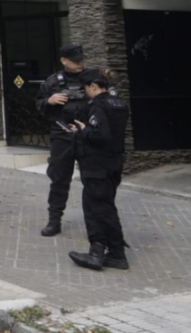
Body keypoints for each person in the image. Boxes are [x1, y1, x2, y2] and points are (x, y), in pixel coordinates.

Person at [66, 70, 130, 271]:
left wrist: (82, 131)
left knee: (96, 209)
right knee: (106, 206)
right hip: (114, 163)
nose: (85, 93)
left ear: (93, 86)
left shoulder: (98, 105)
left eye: (86, 88)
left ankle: (101, 254)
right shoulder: (119, 103)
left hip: (97, 166)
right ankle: (110, 252)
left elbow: (101, 135)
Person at [35, 43, 100, 237]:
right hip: (62, 135)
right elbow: (39, 104)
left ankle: (96, 222)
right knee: (59, 179)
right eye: (74, 60)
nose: (79, 63)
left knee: (94, 180)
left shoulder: (93, 78)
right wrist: (49, 101)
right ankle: (54, 220)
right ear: (63, 60)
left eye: (81, 59)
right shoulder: (53, 82)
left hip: (88, 135)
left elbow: (107, 100)